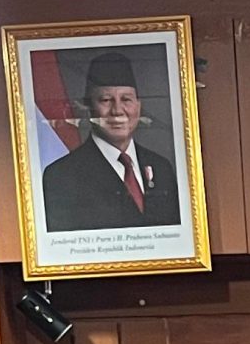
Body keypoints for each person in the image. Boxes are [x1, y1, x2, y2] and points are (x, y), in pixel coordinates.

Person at [40, 48, 181, 232]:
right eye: (106, 100)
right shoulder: (61, 176)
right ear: (89, 107)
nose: (117, 110)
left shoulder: (161, 168)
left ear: (139, 106)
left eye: (126, 99)